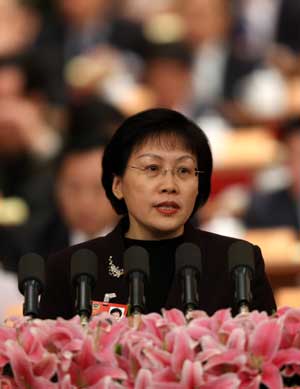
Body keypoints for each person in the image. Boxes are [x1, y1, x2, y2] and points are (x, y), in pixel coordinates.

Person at [39, 108, 276, 319]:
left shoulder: (236, 262)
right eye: (152, 168)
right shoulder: (71, 267)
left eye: (183, 170)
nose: (169, 185)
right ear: (117, 185)